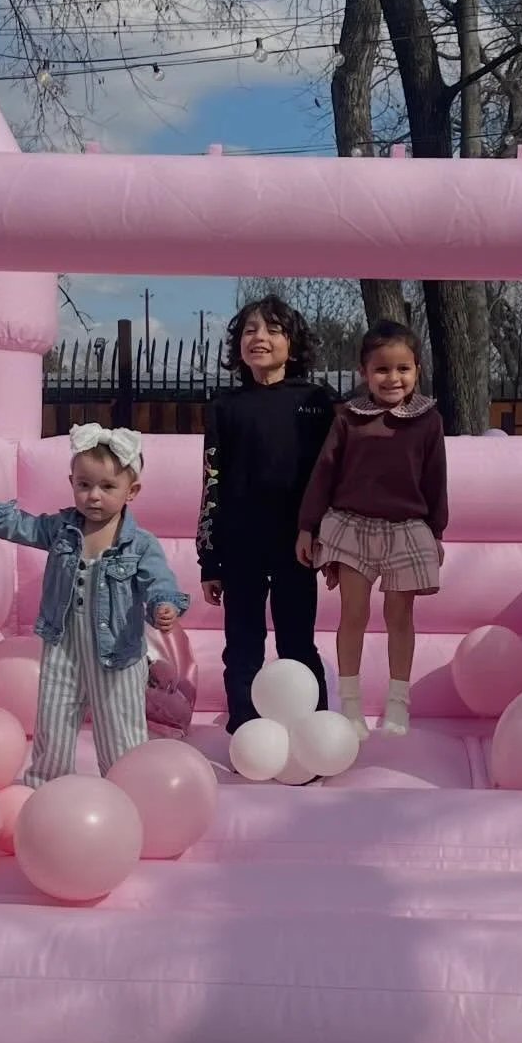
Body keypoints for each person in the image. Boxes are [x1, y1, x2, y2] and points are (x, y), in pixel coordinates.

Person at [0, 424, 188, 783]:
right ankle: (46, 785)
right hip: (63, 643)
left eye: (107, 487)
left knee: (120, 726)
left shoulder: (139, 544)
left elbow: (159, 579)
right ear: (72, 483)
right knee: (53, 718)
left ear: (133, 491)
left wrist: (164, 603)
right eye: (84, 485)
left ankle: (127, 786)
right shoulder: (63, 528)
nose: (93, 496)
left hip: (117, 653)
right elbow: (26, 527)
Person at [296, 320, 448, 739]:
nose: (393, 378)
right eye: (382, 369)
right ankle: (350, 706)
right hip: (351, 525)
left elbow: (436, 477)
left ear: (417, 369)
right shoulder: (348, 417)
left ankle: (398, 705)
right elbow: (324, 472)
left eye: (403, 368)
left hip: (407, 527)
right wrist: (307, 527)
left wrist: (436, 532)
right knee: (354, 614)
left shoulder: (428, 420)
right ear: (364, 372)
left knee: (400, 615)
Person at [196, 295, 335, 734]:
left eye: (274, 330)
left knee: (297, 643)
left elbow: (334, 477)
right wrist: (209, 560)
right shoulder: (225, 406)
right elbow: (212, 482)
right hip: (240, 548)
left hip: (298, 544)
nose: (260, 338)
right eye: (250, 330)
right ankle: (246, 731)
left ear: (292, 346)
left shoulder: (318, 400)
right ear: (238, 344)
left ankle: (311, 732)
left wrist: (328, 540)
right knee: (242, 648)